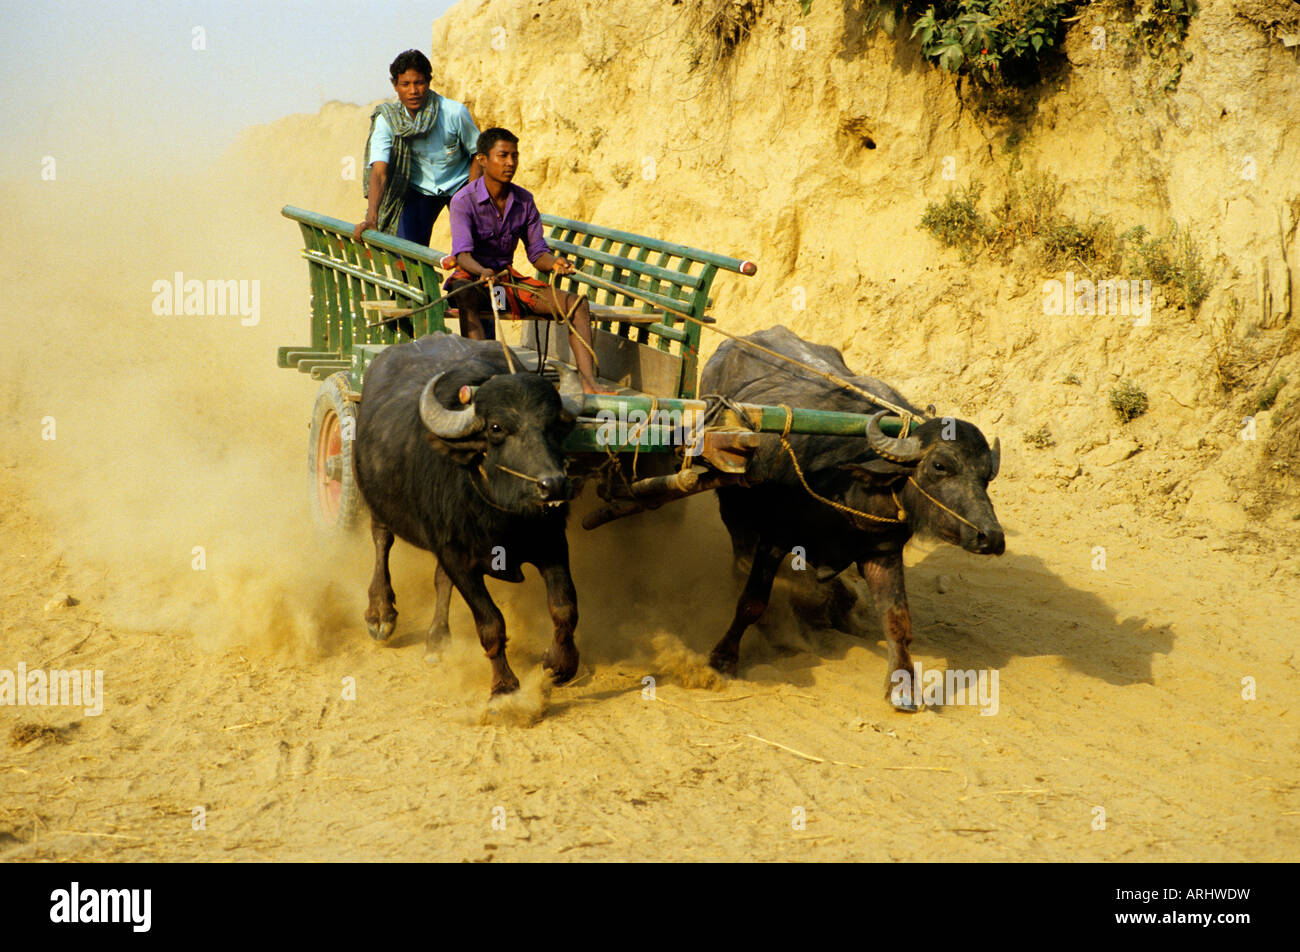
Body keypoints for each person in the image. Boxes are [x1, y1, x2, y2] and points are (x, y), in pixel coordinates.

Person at [444, 128, 607, 394]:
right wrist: (482, 271)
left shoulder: (524, 200)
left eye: (514, 156)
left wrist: (554, 263)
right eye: (503, 155)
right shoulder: (464, 200)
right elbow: (462, 254)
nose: (510, 163)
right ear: (482, 160)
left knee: (576, 304)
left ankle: (589, 383)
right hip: (475, 278)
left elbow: (537, 254)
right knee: (465, 295)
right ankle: (482, 381)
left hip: (505, 283)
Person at [353, 50, 480, 244]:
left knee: (473, 244)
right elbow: (379, 171)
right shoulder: (388, 120)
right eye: (405, 84)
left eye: (419, 83)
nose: (413, 91)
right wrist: (372, 217)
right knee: (407, 252)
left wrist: (471, 194)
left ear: (428, 83)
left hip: (458, 183)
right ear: (395, 86)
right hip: (420, 188)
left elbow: (478, 154)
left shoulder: (454, 113)